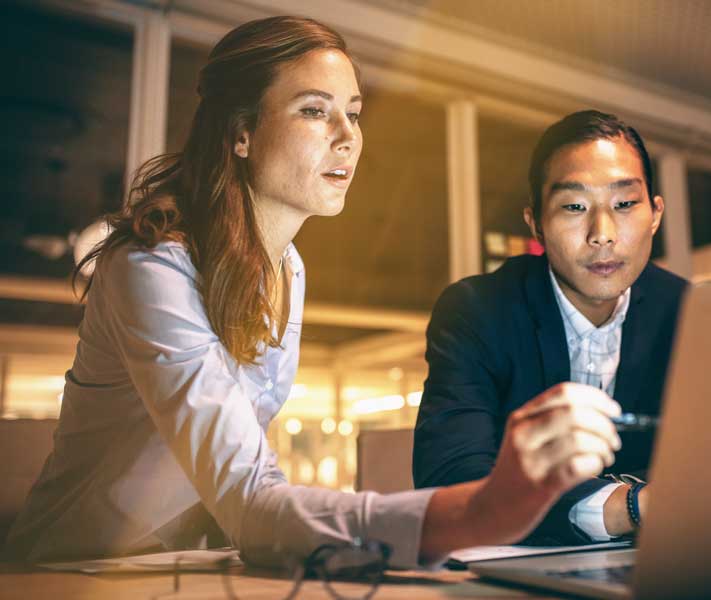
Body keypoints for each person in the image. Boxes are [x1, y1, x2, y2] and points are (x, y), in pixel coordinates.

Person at [4, 18, 623, 568]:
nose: (348, 135)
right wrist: (478, 511)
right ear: (241, 133)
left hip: (189, 567)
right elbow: (249, 493)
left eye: (353, 112)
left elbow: (247, 494)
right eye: (313, 110)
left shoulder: (289, 269)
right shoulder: (153, 269)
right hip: (65, 575)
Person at [413, 110, 688, 545]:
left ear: (655, 214)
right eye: (575, 206)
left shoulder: (689, 312)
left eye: (624, 204)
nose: (602, 233)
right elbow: (450, 482)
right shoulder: (478, 311)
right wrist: (629, 507)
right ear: (536, 223)